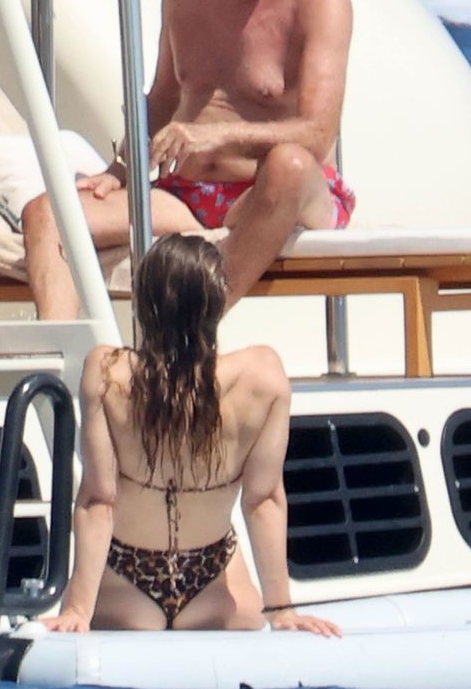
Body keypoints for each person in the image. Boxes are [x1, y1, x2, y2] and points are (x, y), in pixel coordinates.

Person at [22, 0, 353, 320]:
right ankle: (58, 358)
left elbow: (318, 134)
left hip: (271, 195)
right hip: (187, 196)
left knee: (291, 164)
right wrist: (121, 170)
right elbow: (163, 97)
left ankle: (192, 331)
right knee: (44, 214)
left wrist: (215, 135)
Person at [46, 233, 340, 635]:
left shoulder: (108, 372)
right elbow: (264, 499)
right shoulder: (262, 376)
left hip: (125, 581)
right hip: (217, 582)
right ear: (217, 303)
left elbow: (99, 499)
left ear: (142, 302)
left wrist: (78, 609)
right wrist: (281, 609)